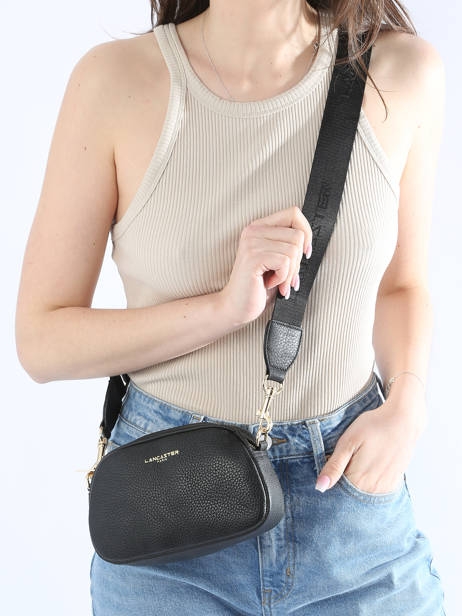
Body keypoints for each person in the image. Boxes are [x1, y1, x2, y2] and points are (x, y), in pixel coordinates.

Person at [15, 1, 446, 614]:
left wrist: (408, 404)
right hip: (166, 519)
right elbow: (42, 339)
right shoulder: (113, 82)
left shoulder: (399, 71)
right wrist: (221, 309)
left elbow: (402, 286)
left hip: (350, 504)